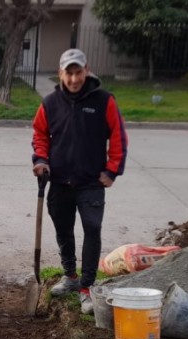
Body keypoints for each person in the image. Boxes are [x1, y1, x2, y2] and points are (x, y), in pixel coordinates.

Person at [31, 48, 127, 305]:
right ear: (61, 74)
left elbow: (118, 137)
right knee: (63, 229)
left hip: (91, 182)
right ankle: (71, 275)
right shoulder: (50, 103)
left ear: (86, 71)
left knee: (92, 229)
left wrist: (112, 170)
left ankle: (87, 286)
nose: (74, 79)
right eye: (68, 73)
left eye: (78, 72)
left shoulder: (104, 101)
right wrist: (41, 160)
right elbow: (40, 134)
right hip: (60, 181)